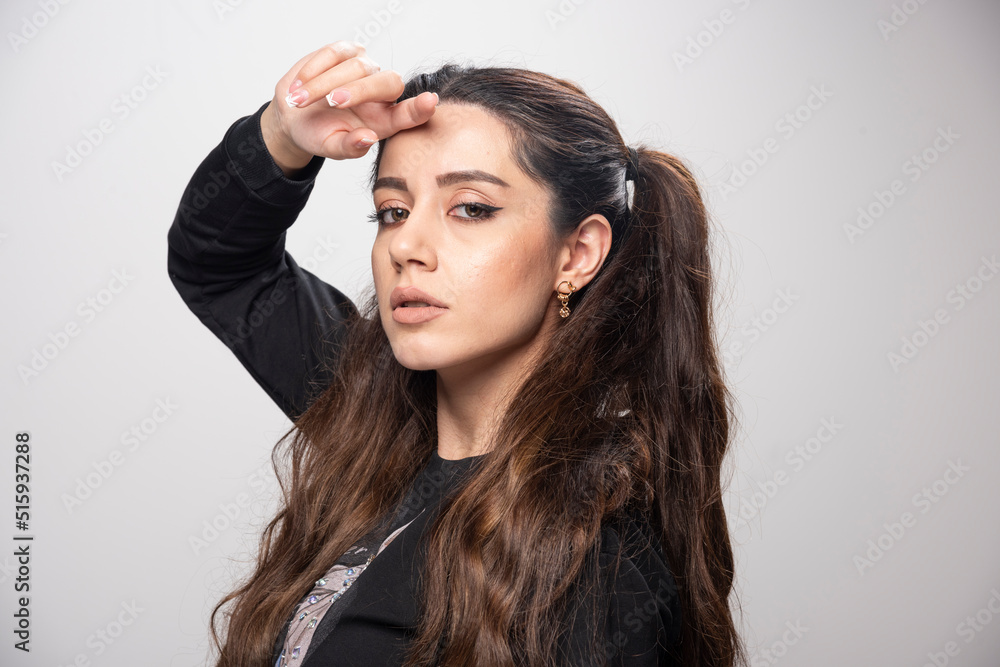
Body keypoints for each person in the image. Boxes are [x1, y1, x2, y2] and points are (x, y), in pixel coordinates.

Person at [167, 40, 747, 667]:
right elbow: (219, 264)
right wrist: (282, 135)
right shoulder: (372, 419)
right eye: (393, 211)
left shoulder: (595, 560)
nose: (406, 245)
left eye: (471, 209)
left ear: (577, 254)